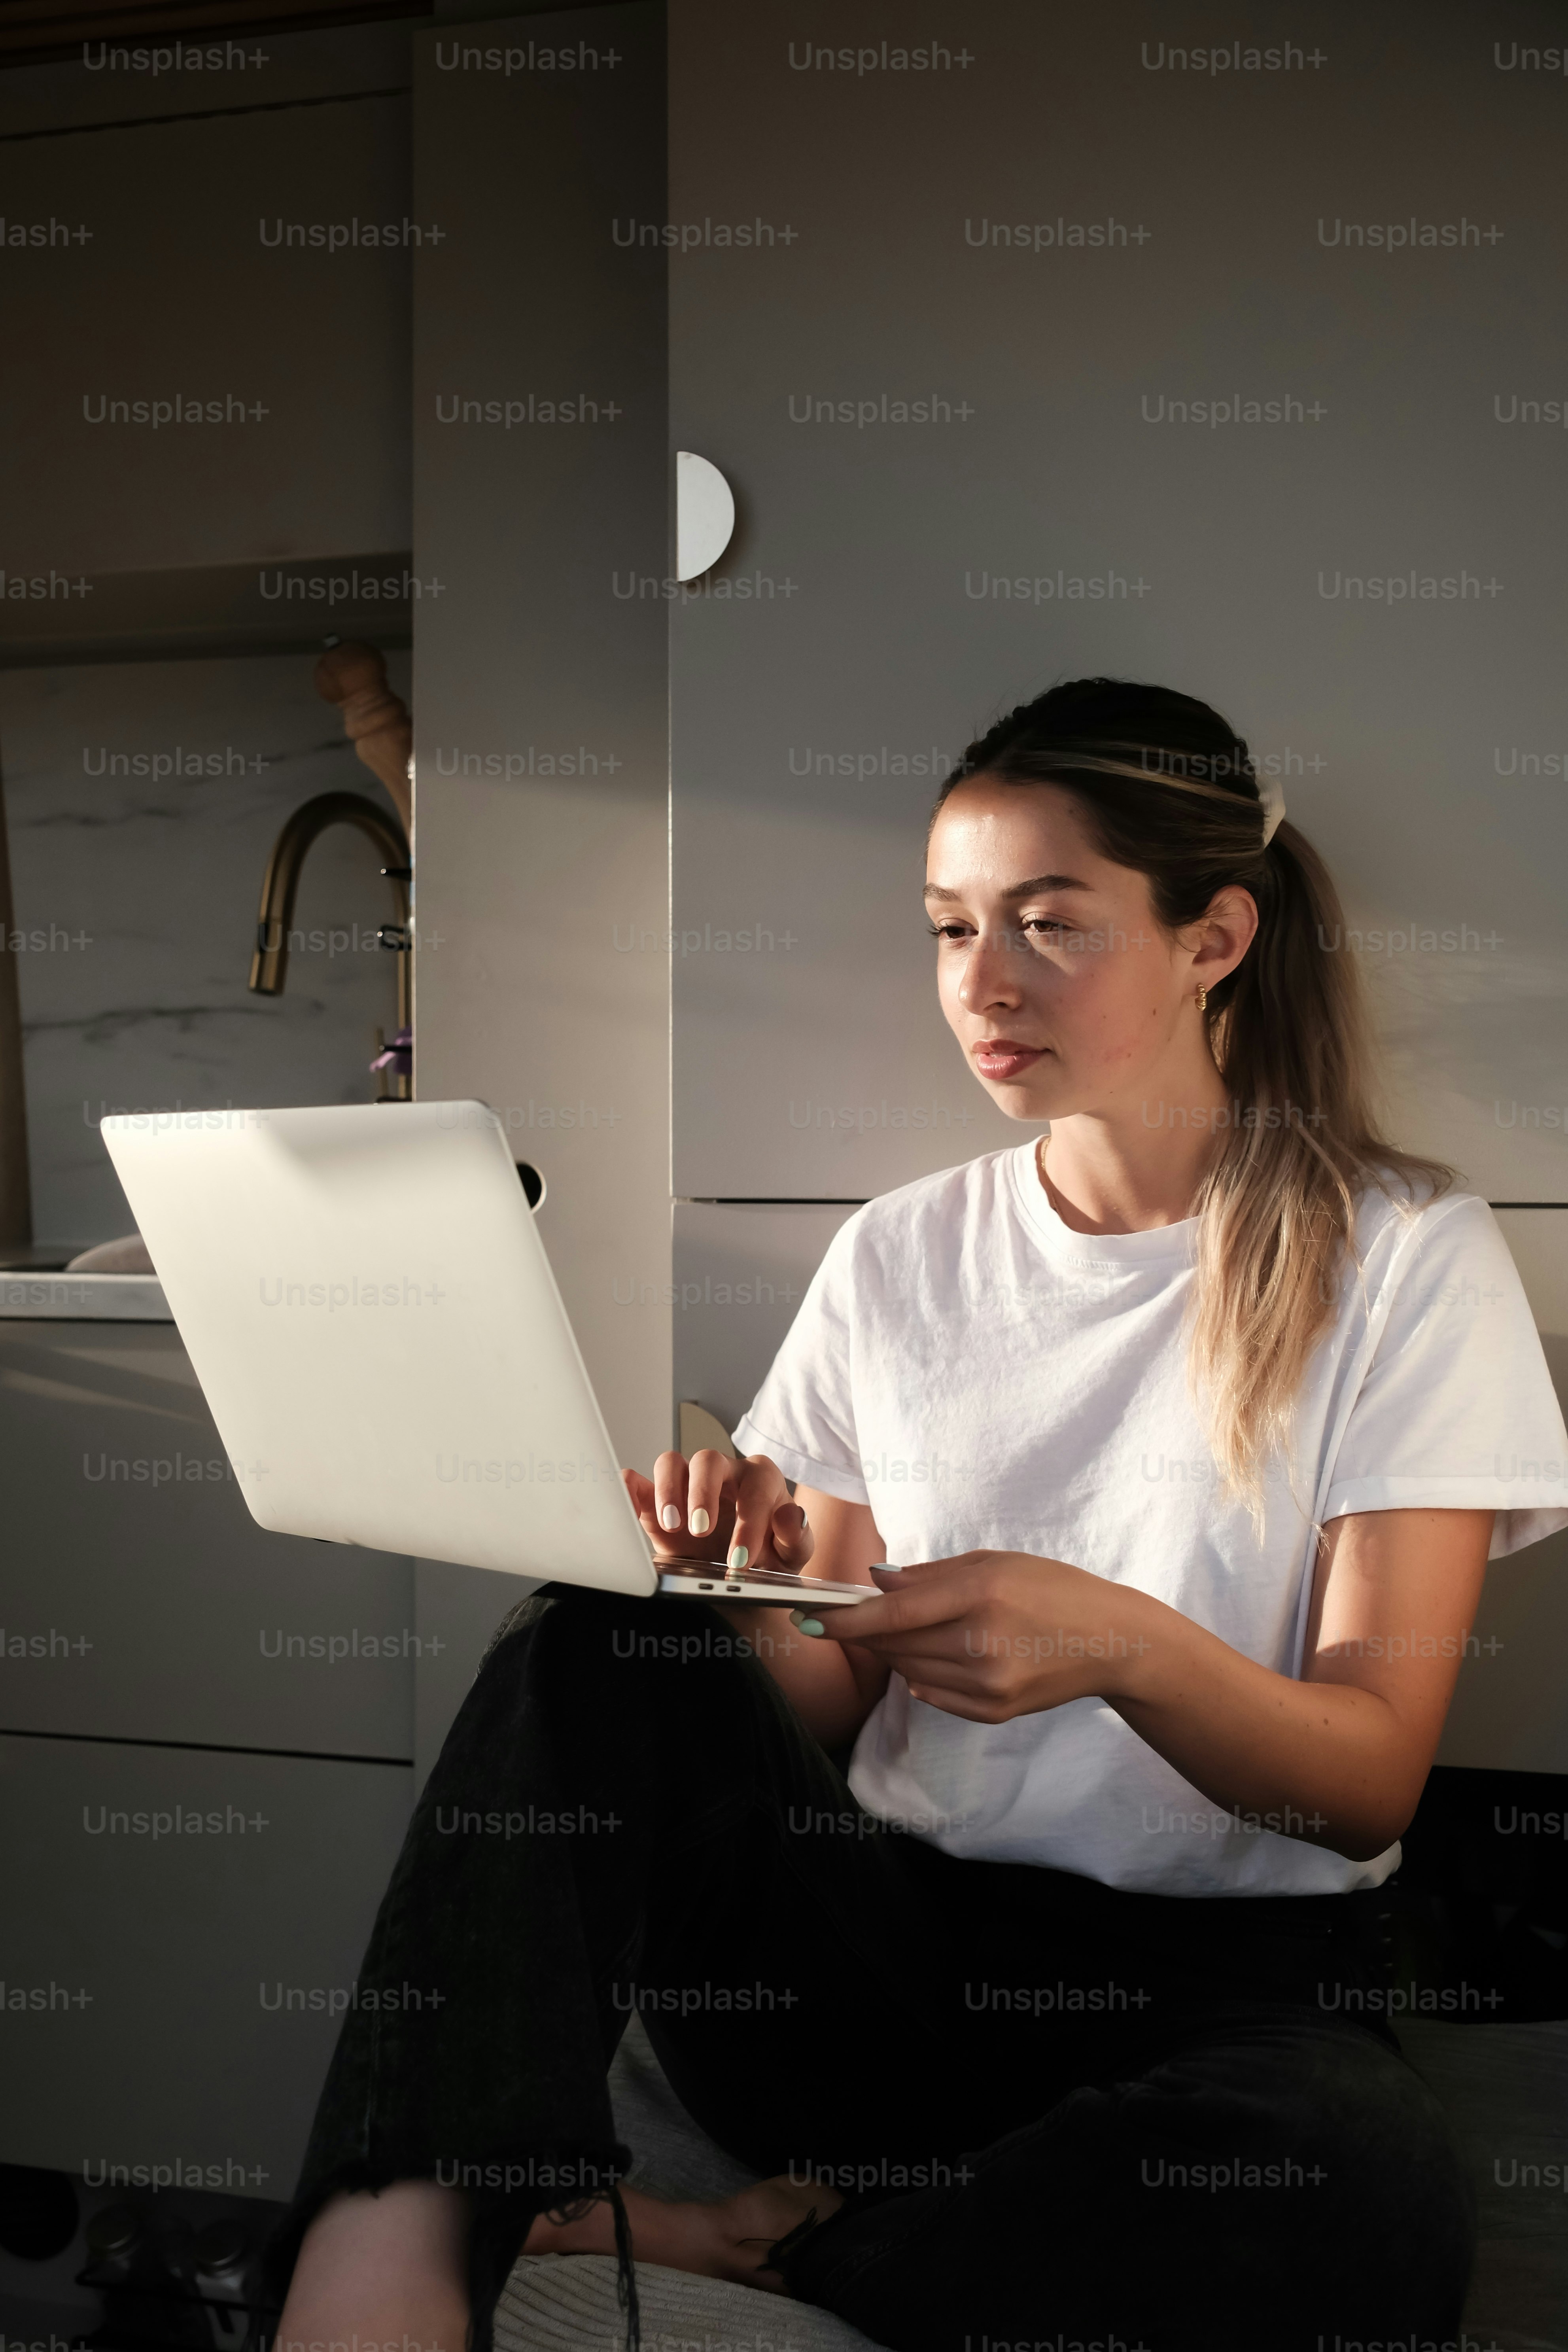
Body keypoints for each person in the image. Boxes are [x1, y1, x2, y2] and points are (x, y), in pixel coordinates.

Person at [267, 679, 1568, 2352]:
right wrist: (731, 1601)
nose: (980, 981)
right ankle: (389, 2256)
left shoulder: (1401, 1253)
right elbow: (823, 1697)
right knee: (592, 1632)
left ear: (1212, 936)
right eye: (948, 928)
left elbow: (1362, 1777)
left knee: (1347, 2182)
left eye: (1048, 923)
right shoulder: (897, 1253)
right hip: (874, 1965)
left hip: (1231, 1989)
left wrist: (1107, 1640)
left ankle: (785, 2254)